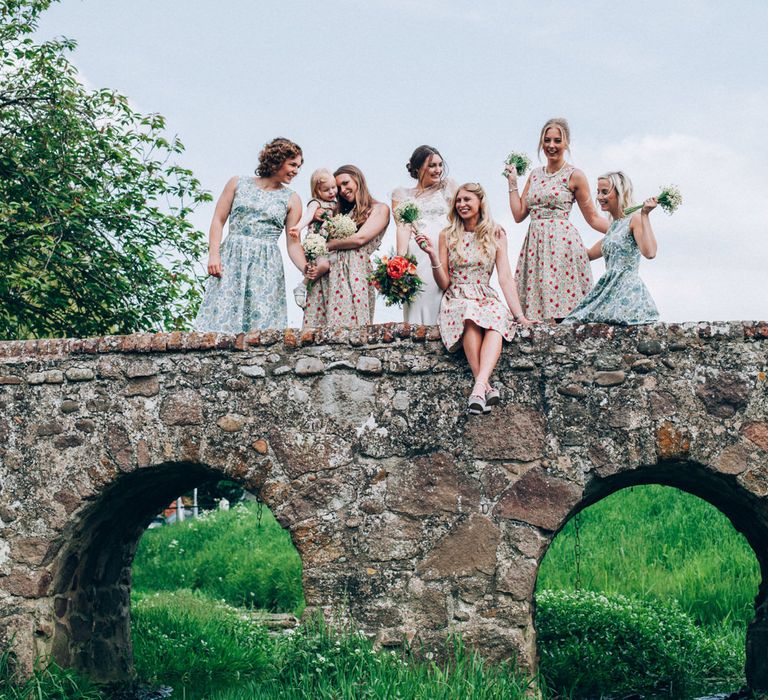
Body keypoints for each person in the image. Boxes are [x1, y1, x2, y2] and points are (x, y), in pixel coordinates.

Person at [418, 183, 533, 415]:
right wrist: (432, 255)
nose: (462, 205)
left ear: (480, 202)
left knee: (497, 318)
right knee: (469, 315)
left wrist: (520, 316)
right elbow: (444, 283)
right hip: (457, 296)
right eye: (458, 201)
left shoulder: (496, 233)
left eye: (467, 200)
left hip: (485, 294)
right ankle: (484, 386)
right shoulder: (447, 235)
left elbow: (505, 277)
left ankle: (479, 386)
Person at [194, 137, 306, 332]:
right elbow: (218, 220)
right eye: (293, 164)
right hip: (232, 257)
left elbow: (293, 243)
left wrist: (306, 268)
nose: (296, 171)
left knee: (261, 324)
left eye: (299, 166)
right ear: (277, 160)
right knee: (221, 317)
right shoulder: (237, 183)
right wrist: (214, 254)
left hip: (266, 264)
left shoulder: (292, 199)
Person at [505, 118, 609, 321]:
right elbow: (519, 215)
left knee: (562, 311)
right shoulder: (535, 175)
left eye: (557, 141)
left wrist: (622, 228)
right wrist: (512, 182)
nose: (551, 146)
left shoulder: (575, 175)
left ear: (566, 143)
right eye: (547, 140)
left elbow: (593, 218)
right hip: (535, 245)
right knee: (536, 312)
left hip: (562, 245)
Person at [564, 171, 659, 324]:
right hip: (609, 288)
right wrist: (563, 233)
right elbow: (586, 255)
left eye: (605, 192)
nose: (600, 197)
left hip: (626, 290)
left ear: (620, 193)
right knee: (573, 321)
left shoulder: (634, 219)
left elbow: (650, 252)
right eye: (598, 192)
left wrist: (645, 215)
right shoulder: (614, 227)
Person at [304, 165, 389, 327]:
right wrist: (315, 215)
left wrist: (327, 245)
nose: (342, 190)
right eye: (338, 187)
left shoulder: (379, 208)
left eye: (345, 183)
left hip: (355, 270)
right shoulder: (339, 212)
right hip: (327, 271)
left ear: (358, 179)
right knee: (317, 330)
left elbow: (360, 239)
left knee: (350, 326)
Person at [391, 145, 457, 324]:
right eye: (432, 166)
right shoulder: (401, 194)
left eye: (440, 165)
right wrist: (400, 260)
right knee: (420, 301)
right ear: (418, 168)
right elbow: (403, 227)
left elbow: (463, 216)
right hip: (419, 253)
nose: (438, 170)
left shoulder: (448, 186)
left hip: (445, 250)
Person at [287, 168, 338, 311]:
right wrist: (298, 227)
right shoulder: (316, 203)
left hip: (330, 243)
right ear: (317, 191)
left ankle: (310, 293)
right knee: (324, 265)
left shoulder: (335, 203)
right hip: (318, 242)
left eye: (334, 187)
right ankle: (302, 286)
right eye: (326, 190)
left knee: (329, 265)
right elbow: (308, 215)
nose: (332, 192)